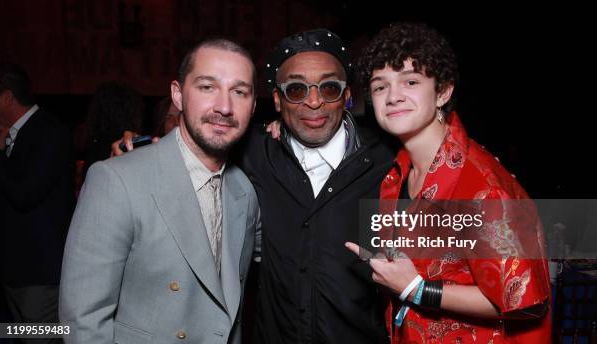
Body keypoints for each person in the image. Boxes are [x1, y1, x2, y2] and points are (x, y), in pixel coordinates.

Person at [114, 29, 395, 344]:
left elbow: (448, 260)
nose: (314, 101)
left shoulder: (389, 163)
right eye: (296, 89)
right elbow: (193, 147)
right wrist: (141, 152)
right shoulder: (253, 155)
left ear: (346, 96)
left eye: (329, 88)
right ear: (277, 100)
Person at [346, 22, 551, 343]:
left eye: (410, 81)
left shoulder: (482, 189)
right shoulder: (396, 173)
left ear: (443, 92)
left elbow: (527, 304)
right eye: (380, 86)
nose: (393, 96)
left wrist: (417, 289)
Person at [59, 39, 261, 343]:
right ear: (178, 95)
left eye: (240, 92)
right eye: (207, 87)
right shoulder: (117, 180)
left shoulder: (243, 191)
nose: (224, 106)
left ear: (254, 105)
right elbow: (83, 320)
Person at [0, 62, 75, 344]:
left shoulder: (50, 132)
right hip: (15, 271)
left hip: (40, 274)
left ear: (7, 97)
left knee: (44, 338)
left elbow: (25, 193)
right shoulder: (12, 134)